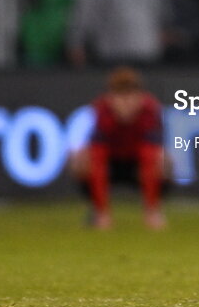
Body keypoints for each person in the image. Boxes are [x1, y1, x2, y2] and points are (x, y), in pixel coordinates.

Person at [70, 67, 168, 229]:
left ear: (140, 97)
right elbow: (97, 155)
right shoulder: (102, 111)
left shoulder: (150, 110)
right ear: (110, 98)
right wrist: (103, 213)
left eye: (130, 97)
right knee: (81, 162)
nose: (126, 104)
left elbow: (151, 152)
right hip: (112, 164)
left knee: (164, 162)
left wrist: (151, 208)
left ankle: (153, 210)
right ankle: (98, 211)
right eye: (121, 97)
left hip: (137, 164)